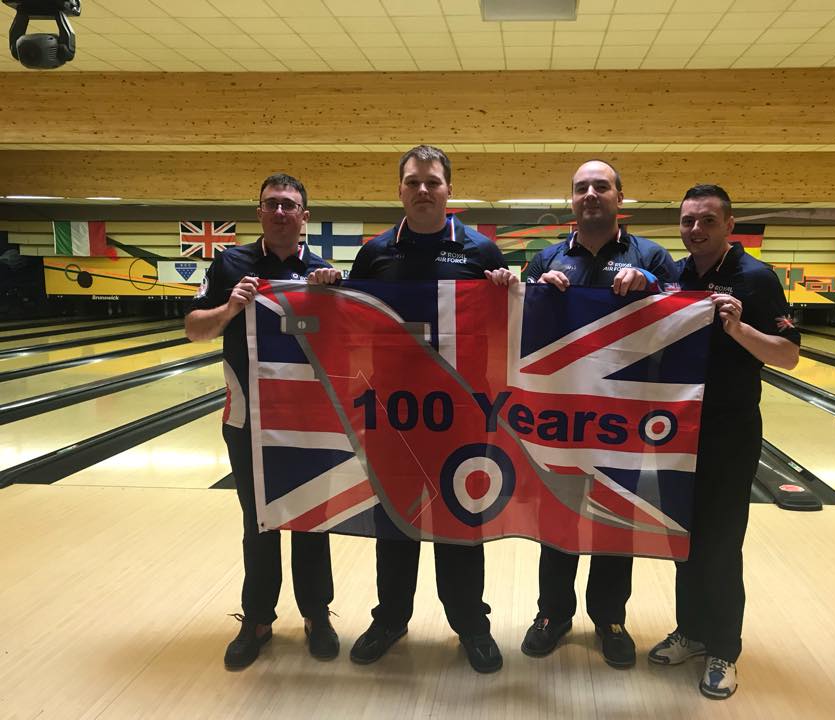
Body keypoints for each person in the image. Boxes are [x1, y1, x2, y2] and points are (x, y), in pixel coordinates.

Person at [308, 145, 508, 673]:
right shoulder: (376, 253)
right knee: (395, 522)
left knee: (463, 522)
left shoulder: (482, 252)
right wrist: (329, 290)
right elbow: (352, 326)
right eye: (414, 182)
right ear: (400, 189)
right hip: (391, 414)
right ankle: (390, 618)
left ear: (448, 189)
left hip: (462, 413)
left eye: (433, 182)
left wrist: (513, 289)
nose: (424, 190)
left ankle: (471, 624)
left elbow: (506, 328)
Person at [508, 160, 677, 669]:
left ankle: (609, 618)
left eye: (601, 186)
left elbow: (684, 316)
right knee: (557, 514)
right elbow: (519, 331)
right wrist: (536, 291)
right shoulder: (546, 258)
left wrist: (652, 284)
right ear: (571, 200)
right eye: (581, 188)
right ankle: (552, 615)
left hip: (623, 414)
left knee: (614, 517)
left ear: (619, 198)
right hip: (561, 413)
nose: (591, 194)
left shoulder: (653, 256)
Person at [646, 184, 800, 699]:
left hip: (729, 430)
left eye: (707, 221)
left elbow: (787, 354)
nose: (696, 230)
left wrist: (739, 330)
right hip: (678, 428)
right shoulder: (679, 272)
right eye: (688, 220)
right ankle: (691, 631)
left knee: (720, 542)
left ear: (728, 225)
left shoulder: (755, 278)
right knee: (684, 537)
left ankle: (723, 650)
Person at [185, 173, 339, 670]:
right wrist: (231, 306)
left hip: (307, 418)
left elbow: (339, 345)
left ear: (304, 216)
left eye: (289, 205)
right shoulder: (231, 263)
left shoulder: (322, 272)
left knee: (312, 518)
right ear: (259, 212)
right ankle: (257, 619)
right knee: (259, 522)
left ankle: (317, 615)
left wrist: (327, 300)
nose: (280, 212)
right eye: (271, 204)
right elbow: (194, 330)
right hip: (248, 417)